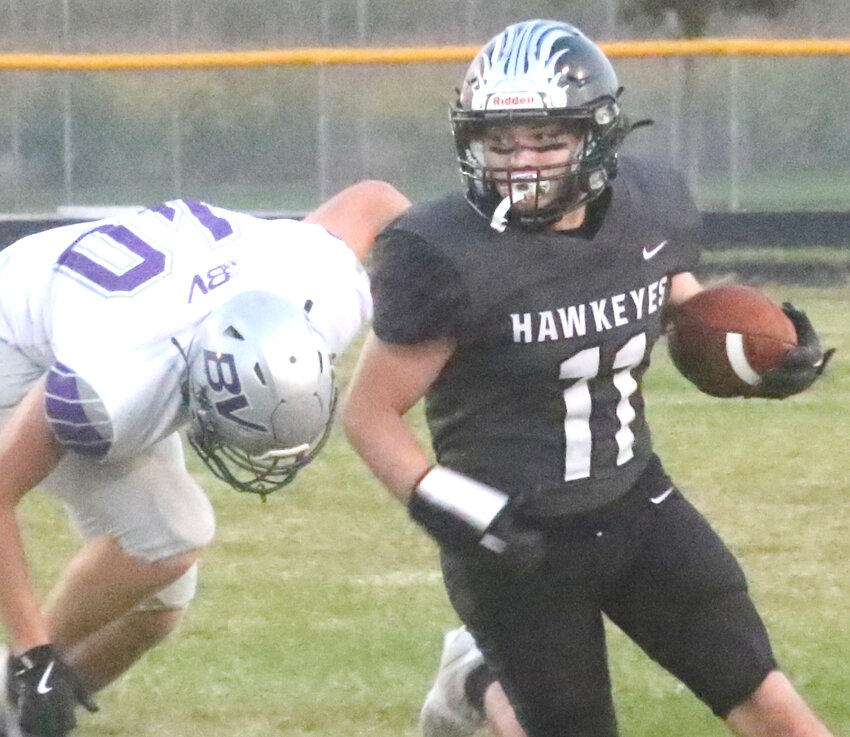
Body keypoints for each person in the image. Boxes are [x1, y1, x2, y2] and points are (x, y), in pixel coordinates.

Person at [341, 19, 835, 737]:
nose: (522, 162)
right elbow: (369, 412)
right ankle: (479, 678)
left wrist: (757, 353)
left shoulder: (647, 206)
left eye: (546, 140)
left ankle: (479, 674)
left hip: (637, 501)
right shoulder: (444, 253)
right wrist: (438, 499)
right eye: (500, 143)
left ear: (596, 136)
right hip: (515, 536)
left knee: (769, 700)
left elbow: (679, 302)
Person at [0, 179, 411, 737]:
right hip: (18, 352)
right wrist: (33, 654)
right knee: (172, 533)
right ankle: (15, 692)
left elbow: (374, 201)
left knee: (159, 603)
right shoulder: (115, 387)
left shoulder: (314, 284)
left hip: (103, 310)